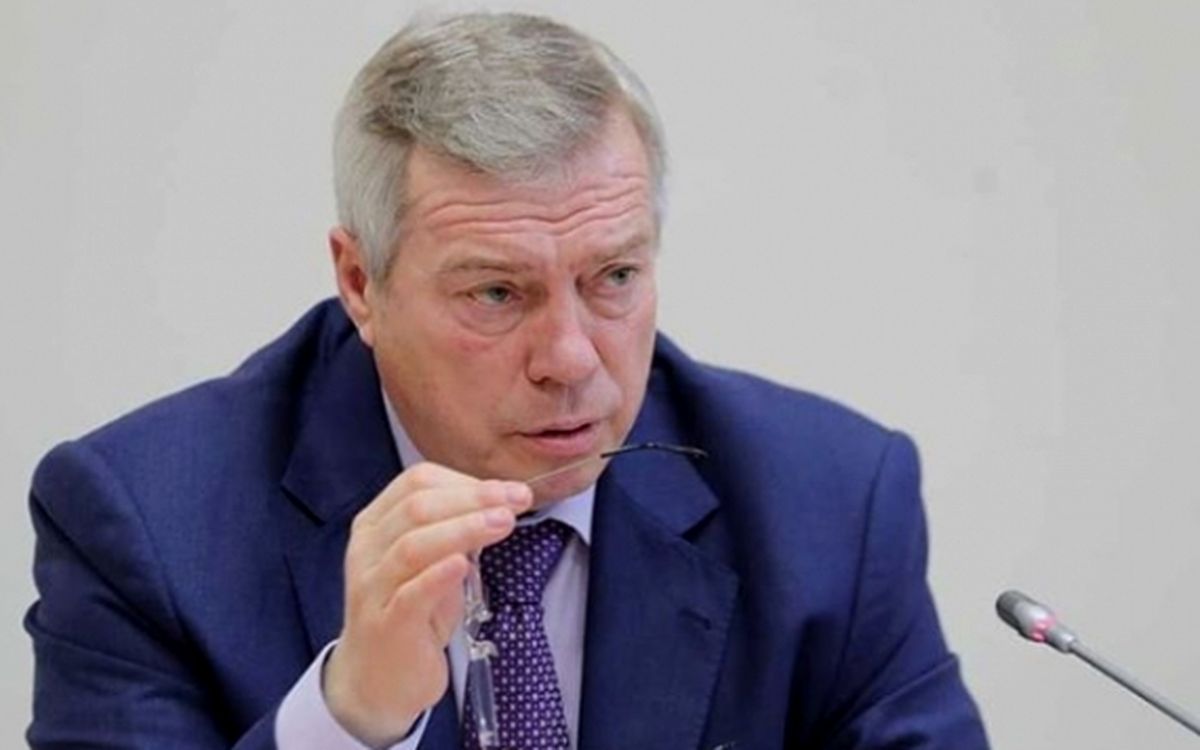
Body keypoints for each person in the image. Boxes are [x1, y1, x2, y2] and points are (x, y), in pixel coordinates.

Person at [25, 11, 989, 750]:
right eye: (496, 292)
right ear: (361, 283)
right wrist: (348, 721)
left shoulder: (831, 504)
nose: (571, 357)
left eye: (614, 278)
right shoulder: (145, 525)